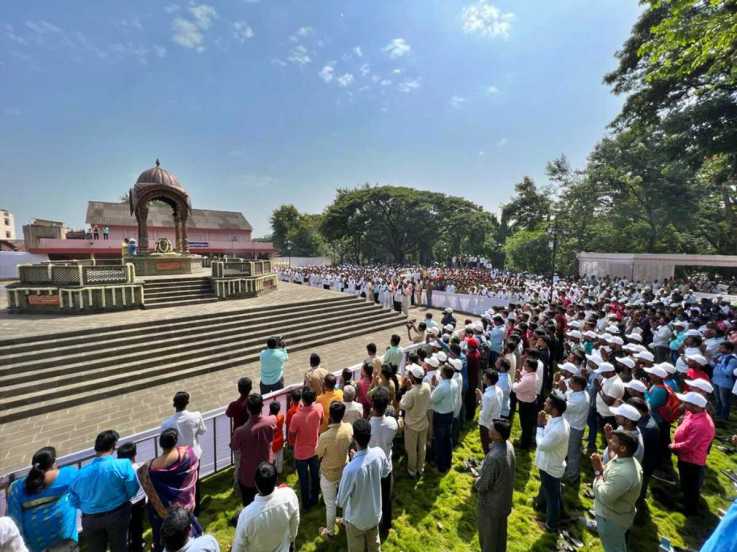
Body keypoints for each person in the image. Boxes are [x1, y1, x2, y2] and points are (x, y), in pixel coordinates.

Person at [69, 430, 139, 552]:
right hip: (118, 514)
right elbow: (133, 489)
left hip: (91, 519)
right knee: (120, 547)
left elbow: (73, 501)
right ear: (113, 446)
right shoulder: (123, 465)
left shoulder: (79, 474)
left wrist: (90, 506)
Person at [138, 429, 201, 551]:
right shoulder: (188, 453)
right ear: (175, 441)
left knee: (164, 538)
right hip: (186, 504)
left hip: (162, 513)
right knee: (186, 530)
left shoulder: (147, 469)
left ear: (160, 444)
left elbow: (147, 488)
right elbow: (193, 470)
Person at [7, 447, 79, 552]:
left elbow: (14, 520)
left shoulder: (16, 488)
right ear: (53, 462)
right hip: (65, 541)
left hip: (35, 543)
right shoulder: (68, 475)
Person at [336, 419, 391, 552]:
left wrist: (355, 460)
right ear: (370, 436)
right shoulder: (379, 453)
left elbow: (340, 501)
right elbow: (385, 472)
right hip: (375, 514)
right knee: (374, 545)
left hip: (356, 520)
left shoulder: (350, 469)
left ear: (354, 438)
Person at [591, 431, 643, 552]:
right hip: (614, 515)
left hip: (611, 520)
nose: (610, 441)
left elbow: (604, 495)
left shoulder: (624, 473)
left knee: (613, 548)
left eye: (614, 441)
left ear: (623, 448)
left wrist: (598, 471)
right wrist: (601, 465)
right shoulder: (623, 458)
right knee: (617, 546)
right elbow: (610, 473)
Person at [232, 462, 299, 552]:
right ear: (276, 480)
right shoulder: (289, 495)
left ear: (255, 484)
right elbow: (295, 521)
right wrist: (291, 540)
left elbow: (238, 547)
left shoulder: (246, 515)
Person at [670, 391, 716, 514]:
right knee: (685, 482)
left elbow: (690, 445)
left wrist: (673, 446)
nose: (684, 404)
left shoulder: (702, 424)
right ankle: (685, 498)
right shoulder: (693, 413)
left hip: (691, 461)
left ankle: (689, 509)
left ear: (695, 406)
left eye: (686, 403)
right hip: (685, 457)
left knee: (691, 486)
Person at [474, 418, 516, 552]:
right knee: (499, 538)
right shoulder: (508, 445)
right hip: (503, 502)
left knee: (488, 540)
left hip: (491, 506)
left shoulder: (494, 458)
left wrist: (476, 480)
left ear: (497, 434)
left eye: (491, 428)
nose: (489, 429)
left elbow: (483, 485)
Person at [316, 401, 353, 539]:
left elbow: (318, 453)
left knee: (330, 505)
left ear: (330, 415)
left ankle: (330, 532)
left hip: (328, 474)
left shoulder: (325, 436)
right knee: (346, 498)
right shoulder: (349, 428)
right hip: (344, 469)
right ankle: (344, 521)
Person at [230, 394, 275, 507]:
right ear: (262, 407)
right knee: (267, 503)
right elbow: (271, 438)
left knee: (249, 506)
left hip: (248, 476)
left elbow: (234, 447)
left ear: (248, 410)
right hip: (267, 471)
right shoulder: (271, 420)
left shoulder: (240, 432)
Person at [534, 392, 570, 532]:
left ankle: (551, 525)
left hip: (550, 467)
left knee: (552, 496)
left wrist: (539, 426)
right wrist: (544, 424)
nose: (544, 404)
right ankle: (544, 508)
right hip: (549, 463)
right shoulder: (556, 420)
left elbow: (542, 445)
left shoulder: (558, 429)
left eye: (547, 403)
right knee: (551, 492)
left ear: (554, 408)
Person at [368, 388, 398, 540]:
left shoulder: (368, 426)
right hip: (386, 467)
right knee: (386, 498)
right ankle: (386, 525)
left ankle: (373, 526)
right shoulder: (392, 423)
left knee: (373, 499)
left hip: (372, 469)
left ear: (373, 406)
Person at [288, 387, 324, 510]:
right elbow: (322, 421)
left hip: (300, 454)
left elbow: (291, 436)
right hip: (314, 449)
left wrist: (293, 445)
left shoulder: (296, 417)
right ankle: (315, 497)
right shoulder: (319, 408)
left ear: (302, 399)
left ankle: (306, 505)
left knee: (304, 480)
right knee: (315, 476)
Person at [399, 364, 432, 478]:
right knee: (422, 447)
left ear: (413, 378)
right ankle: (420, 468)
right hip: (423, 423)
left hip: (412, 425)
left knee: (411, 449)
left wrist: (406, 392)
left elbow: (402, 405)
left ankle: (412, 470)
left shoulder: (411, 393)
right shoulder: (427, 386)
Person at [116, 442, 146, 552]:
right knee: (137, 527)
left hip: (123, 504)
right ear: (134, 455)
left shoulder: (117, 471)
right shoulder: (139, 468)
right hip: (139, 502)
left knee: (124, 529)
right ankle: (137, 546)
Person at [562, 375, 590, 487]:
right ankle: (566, 470)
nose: (569, 384)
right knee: (568, 450)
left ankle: (572, 477)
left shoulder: (580, 399)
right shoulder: (581, 393)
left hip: (574, 428)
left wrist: (563, 391)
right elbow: (568, 394)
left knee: (573, 453)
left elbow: (564, 406)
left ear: (578, 385)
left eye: (571, 382)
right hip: (573, 425)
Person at [161, 392, 206, 459]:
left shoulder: (166, 424)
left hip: (178, 459)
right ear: (187, 402)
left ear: (174, 404)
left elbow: (164, 444)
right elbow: (202, 431)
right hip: (194, 455)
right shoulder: (196, 415)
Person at [430, 364, 458, 473]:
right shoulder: (453, 382)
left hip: (440, 416)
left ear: (445, 374)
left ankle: (440, 467)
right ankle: (448, 462)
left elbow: (432, 399)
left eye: (441, 371)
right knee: (448, 439)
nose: (440, 373)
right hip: (449, 414)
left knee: (439, 442)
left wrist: (433, 386)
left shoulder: (442, 387)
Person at [226, 378, 253, 489]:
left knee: (238, 463)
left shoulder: (234, 405)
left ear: (238, 389)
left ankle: (238, 484)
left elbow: (228, 413)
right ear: (250, 388)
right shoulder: (253, 402)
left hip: (238, 438)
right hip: (251, 435)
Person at [513, 359, 539, 450]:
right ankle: (525, 442)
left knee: (525, 425)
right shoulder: (533, 375)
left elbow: (515, 388)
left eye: (526, 365)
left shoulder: (528, 379)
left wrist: (516, 379)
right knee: (527, 425)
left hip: (526, 405)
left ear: (531, 368)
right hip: (530, 403)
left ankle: (524, 446)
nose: (524, 366)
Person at [477, 370, 503, 455]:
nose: (483, 377)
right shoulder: (499, 390)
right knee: (492, 447)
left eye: (484, 376)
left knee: (487, 448)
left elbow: (484, 414)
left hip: (486, 425)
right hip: (495, 422)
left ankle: (487, 465)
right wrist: (482, 396)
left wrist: (480, 403)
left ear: (488, 380)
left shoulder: (488, 396)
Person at [713, 341, 737, 421]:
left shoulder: (732, 360)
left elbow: (728, 372)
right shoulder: (720, 356)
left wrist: (719, 364)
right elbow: (713, 365)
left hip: (725, 383)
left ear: (729, 350)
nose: (719, 349)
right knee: (717, 400)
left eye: (722, 348)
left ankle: (724, 418)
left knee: (724, 401)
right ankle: (718, 414)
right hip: (716, 381)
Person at [270, 401, 286, 474]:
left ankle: (273, 471)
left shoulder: (269, 420)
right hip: (280, 439)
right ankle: (280, 470)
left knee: (273, 458)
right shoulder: (281, 416)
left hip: (273, 442)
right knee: (280, 456)